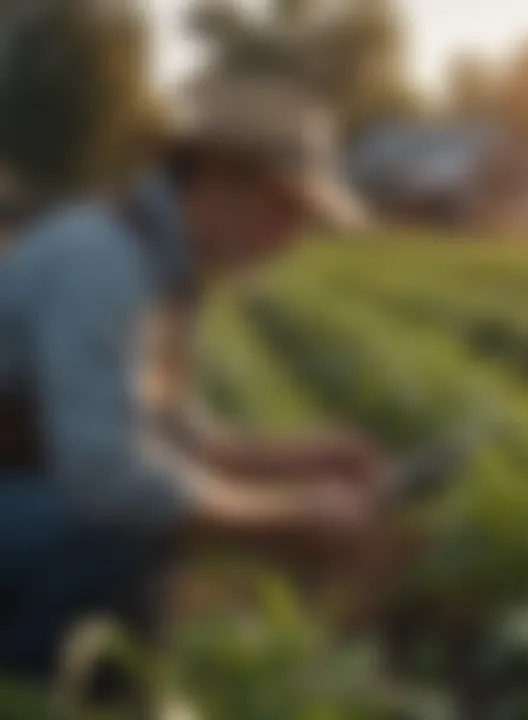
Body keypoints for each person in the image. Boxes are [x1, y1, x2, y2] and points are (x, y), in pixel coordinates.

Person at [0, 76, 380, 688]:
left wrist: (300, 457)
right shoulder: (102, 263)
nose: (294, 239)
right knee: (110, 541)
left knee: (148, 530)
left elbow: (172, 435)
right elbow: (108, 481)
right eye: (289, 210)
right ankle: (34, 692)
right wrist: (292, 516)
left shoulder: (160, 271)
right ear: (224, 180)